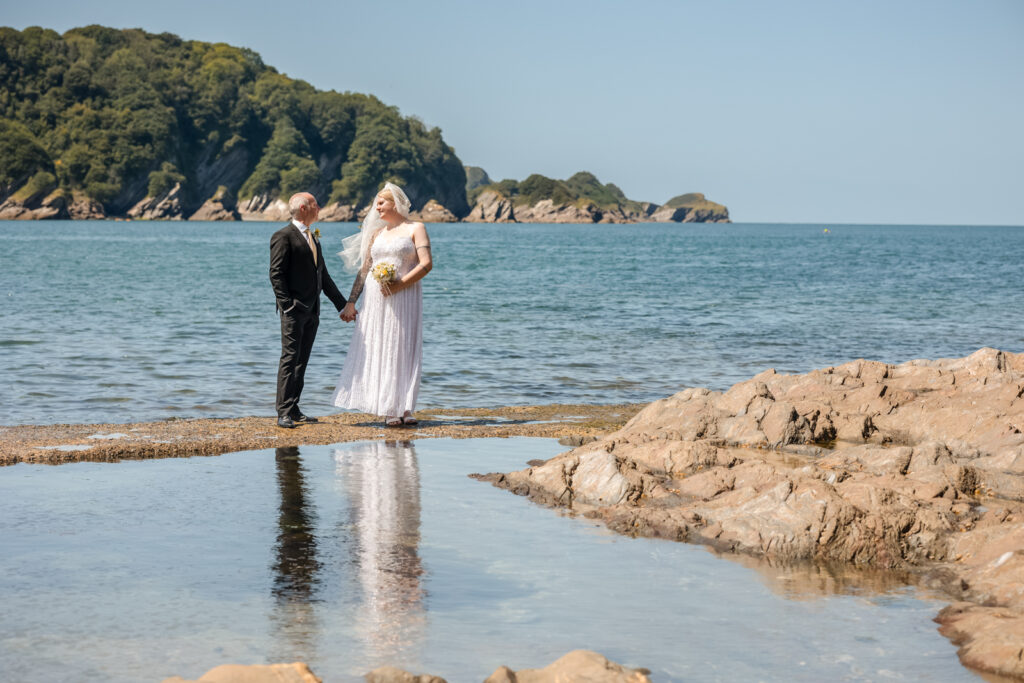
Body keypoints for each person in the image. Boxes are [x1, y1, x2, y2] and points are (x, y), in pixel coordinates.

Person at [332, 182, 432, 426]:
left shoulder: (416, 228)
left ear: (395, 204)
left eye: (381, 203)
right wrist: (351, 302)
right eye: (376, 203)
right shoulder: (377, 234)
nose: (376, 208)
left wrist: (401, 284)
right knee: (381, 347)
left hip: (404, 296)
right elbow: (365, 269)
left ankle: (405, 407)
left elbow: (426, 264)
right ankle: (389, 407)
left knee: (401, 346)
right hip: (376, 300)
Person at [269, 192, 348, 429]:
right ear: (304, 208)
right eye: (316, 203)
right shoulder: (283, 236)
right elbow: (276, 274)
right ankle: (283, 412)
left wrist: (342, 305)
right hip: (294, 310)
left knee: (302, 361)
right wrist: (288, 305)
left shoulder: (313, 238)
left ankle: (294, 408)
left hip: (313, 310)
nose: (319, 207)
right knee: (289, 358)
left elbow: (323, 276)